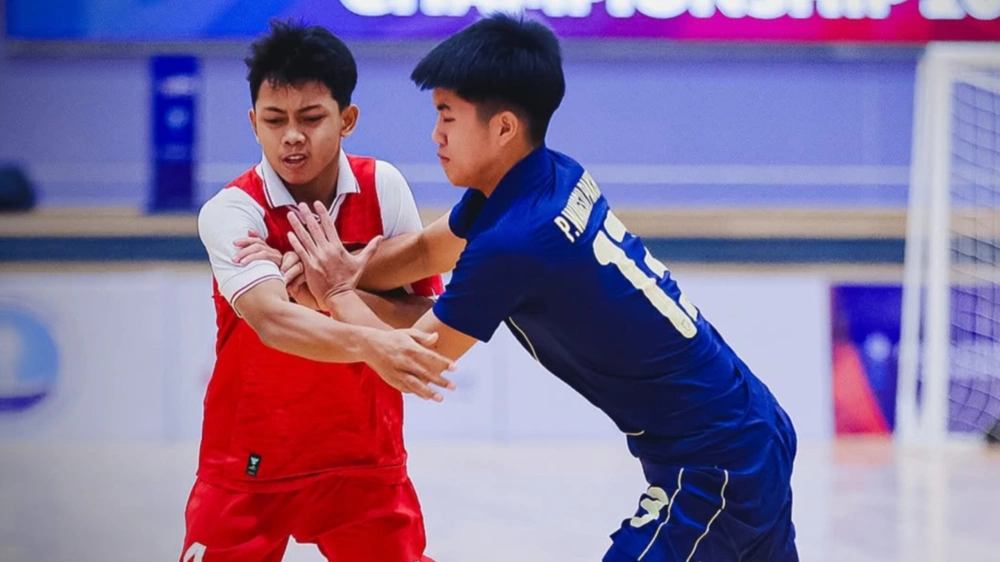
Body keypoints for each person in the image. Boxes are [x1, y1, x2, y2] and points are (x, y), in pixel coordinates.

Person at [287, 13, 799, 562]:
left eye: (446, 116)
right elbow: (423, 253)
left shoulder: (516, 242)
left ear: (503, 127)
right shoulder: (547, 177)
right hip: (749, 426)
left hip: (714, 465)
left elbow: (417, 356)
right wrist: (340, 266)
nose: (435, 134)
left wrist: (336, 294)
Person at [180, 20, 449, 562]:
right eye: (274, 120)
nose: (292, 136)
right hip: (249, 460)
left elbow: (421, 316)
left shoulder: (383, 187)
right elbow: (273, 321)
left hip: (363, 460)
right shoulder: (233, 211)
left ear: (347, 120)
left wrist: (326, 290)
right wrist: (370, 338)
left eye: (311, 118)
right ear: (254, 123)